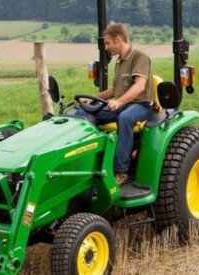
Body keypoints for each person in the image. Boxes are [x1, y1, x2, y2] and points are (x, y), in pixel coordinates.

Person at [76, 22, 154, 186]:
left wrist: (119, 102)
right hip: (122, 105)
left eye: (107, 43)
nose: (106, 47)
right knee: (85, 114)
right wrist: (92, 98)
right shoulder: (119, 62)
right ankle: (88, 161)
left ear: (118, 39)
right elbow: (114, 89)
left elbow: (139, 86)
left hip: (141, 105)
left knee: (125, 118)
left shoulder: (139, 57)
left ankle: (121, 171)